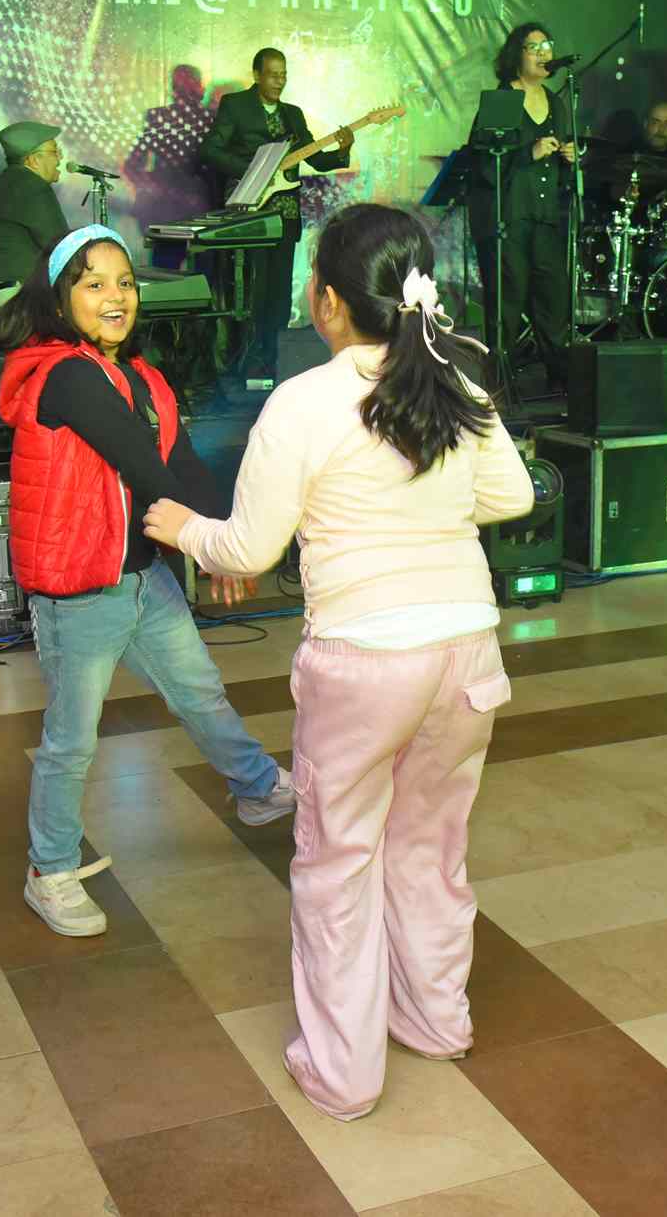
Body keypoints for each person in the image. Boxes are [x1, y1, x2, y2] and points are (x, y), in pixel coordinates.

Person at [144, 203, 535, 1120]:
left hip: (366, 658)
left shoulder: (304, 401)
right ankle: (435, 1021)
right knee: (430, 847)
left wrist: (182, 526)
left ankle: (343, 1072)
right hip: (465, 650)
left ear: (325, 300)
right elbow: (512, 494)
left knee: (337, 860)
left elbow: (248, 548)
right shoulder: (454, 381)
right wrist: (425, 509)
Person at [0, 223, 295, 938]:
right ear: (61, 298)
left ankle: (259, 789)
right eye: (94, 284)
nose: (115, 296)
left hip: (142, 578)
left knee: (199, 690)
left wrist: (223, 541)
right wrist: (215, 549)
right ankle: (49, 870)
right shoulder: (66, 374)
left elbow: (181, 461)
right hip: (81, 589)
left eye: (125, 282)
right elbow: (143, 463)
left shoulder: (140, 374)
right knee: (71, 740)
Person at [200, 47, 354, 382]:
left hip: (285, 216)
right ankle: (243, 370)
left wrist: (343, 149)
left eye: (283, 75)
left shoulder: (293, 115)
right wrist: (255, 171)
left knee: (279, 298)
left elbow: (317, 160)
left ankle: (274, 366)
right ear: (257, 75)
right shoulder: (236, 106)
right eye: (273, 75)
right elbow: (210, 150)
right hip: (250, 215)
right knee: (250, 295)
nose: (279, 81)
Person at [470, 22, 576, 391]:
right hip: (507, 219)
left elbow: (560, 172)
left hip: (545, 217)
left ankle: (560, 381)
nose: (545, 53)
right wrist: (529, 152)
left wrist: (569, 158)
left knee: (553, 299)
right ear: (517, 54)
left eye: (548, 46)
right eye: (535, 47)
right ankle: (499, 384)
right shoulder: (502, 100)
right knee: (507, 303)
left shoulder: (557, 102)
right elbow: (485, 164)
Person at [0, 121, 69, 310]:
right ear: (34, 160)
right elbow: (61, 247)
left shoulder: (11, 180)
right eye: (54, 152)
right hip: (19, 296)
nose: (60, 158)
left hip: (4, 293)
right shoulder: (32, 186)